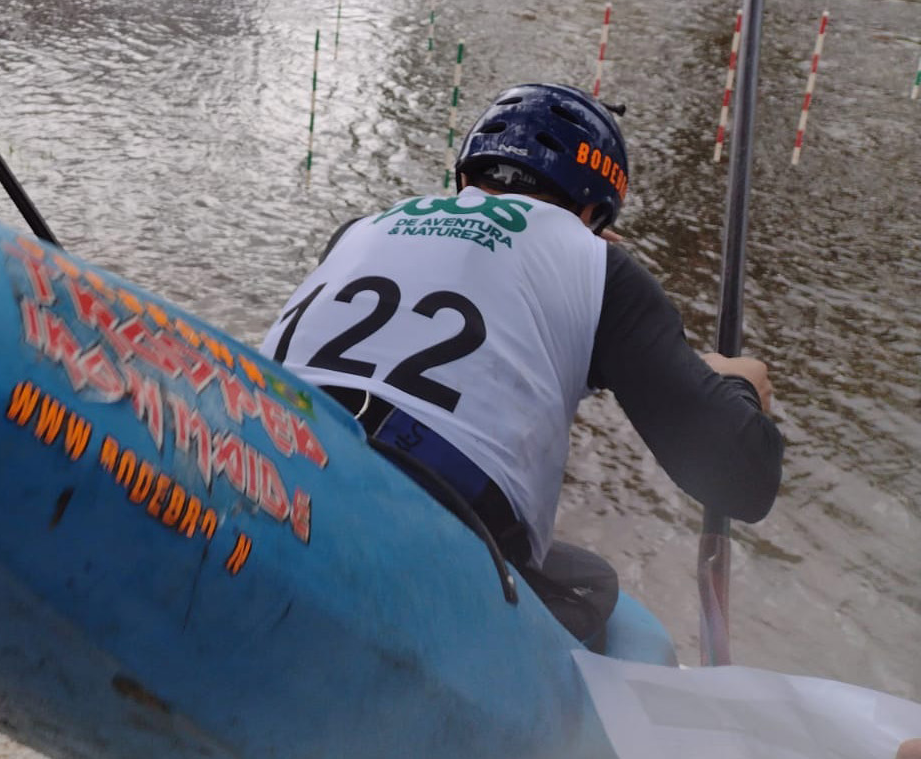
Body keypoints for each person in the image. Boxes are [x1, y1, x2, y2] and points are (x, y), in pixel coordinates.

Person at [258, 84, 783, 650]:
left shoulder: (359, 231)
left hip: (262, 454)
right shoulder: (599, 265)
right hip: (423, 530)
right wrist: (737, 387)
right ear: (595, 213)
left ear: (463, 178)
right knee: (592, 587)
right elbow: (742, 480)